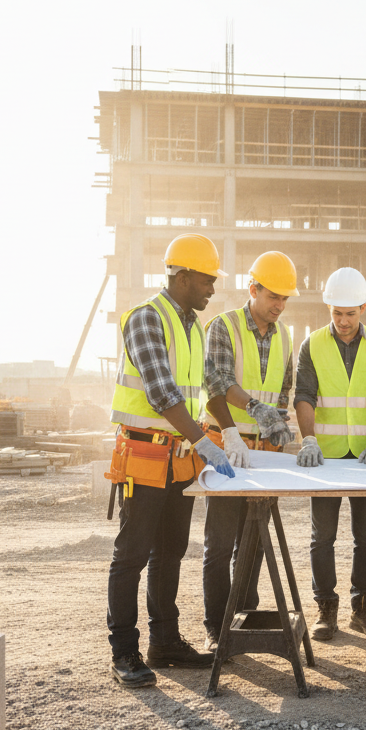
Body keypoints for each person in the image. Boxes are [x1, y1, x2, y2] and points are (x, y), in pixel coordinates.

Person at [107, 234, 235, 688]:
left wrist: (236, 426)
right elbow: (162, 393)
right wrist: (207, 442)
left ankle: (165, 642)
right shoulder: (146, 320)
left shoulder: (193, 328)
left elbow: (210, 387)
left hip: (178, 459)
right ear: (182, 277)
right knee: (132, 556)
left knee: (171, 554)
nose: (212, 290)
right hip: (143, 455)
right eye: (206, 281)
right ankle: (125, 650)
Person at [202, 251, 297, 650]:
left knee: (254, 543)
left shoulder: (286, 336)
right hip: (229, 450)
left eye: (284, 299)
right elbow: (216, 384)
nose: (278, 305)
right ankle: (215, 628)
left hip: (262, 454)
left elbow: (283, 390)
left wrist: (278, 426)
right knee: (220, 544)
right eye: (272, 296)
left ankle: (242, 617)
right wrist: (231, 432)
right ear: (252, 289)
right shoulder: (223, 327)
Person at [293, 267, 366, 641]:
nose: (343, 321)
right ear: (329, 309)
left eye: (350, 313)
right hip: (327, 457)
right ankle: (326, 608)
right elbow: (303, 395)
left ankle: (362, 606)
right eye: (337, 313)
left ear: (363, 308)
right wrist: (309, 440)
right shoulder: (312, 344)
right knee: (323, 537)